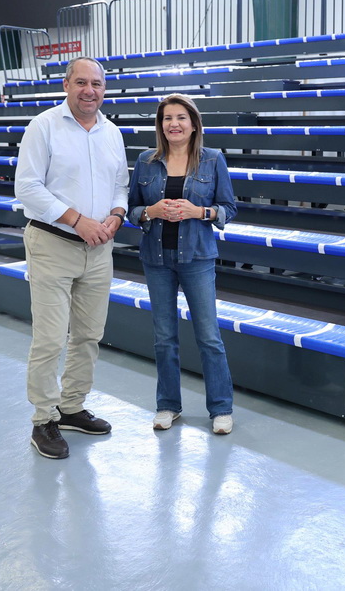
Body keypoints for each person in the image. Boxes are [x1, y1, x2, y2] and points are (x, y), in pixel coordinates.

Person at [14, 56, 129, 459]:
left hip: (99, 248)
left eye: (96, 84)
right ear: (66, 85)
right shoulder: (43, 126)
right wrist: (77, 220)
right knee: (49, 339)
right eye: (81, 82)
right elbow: (27, 187)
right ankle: (43, 419)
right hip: (53, 244)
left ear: (104, 89)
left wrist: (116, 215)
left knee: (88, 335)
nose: (89, 91)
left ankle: (71, 407)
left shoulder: (112, 132)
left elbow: (120, 184)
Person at [128, 93, 238, 434]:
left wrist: (199, 212)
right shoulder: (146, 161)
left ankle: (221, 408)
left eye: (180, 118)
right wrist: (150, 211)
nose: (173, 124)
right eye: (167, 118)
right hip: (156, 259)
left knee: (208, 336)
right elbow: (132, 210)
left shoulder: (213, 159)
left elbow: (229, 208)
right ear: (160, 125)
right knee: (164, 338)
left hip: (197, 259)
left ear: (193, 125)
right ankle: (168, 406)